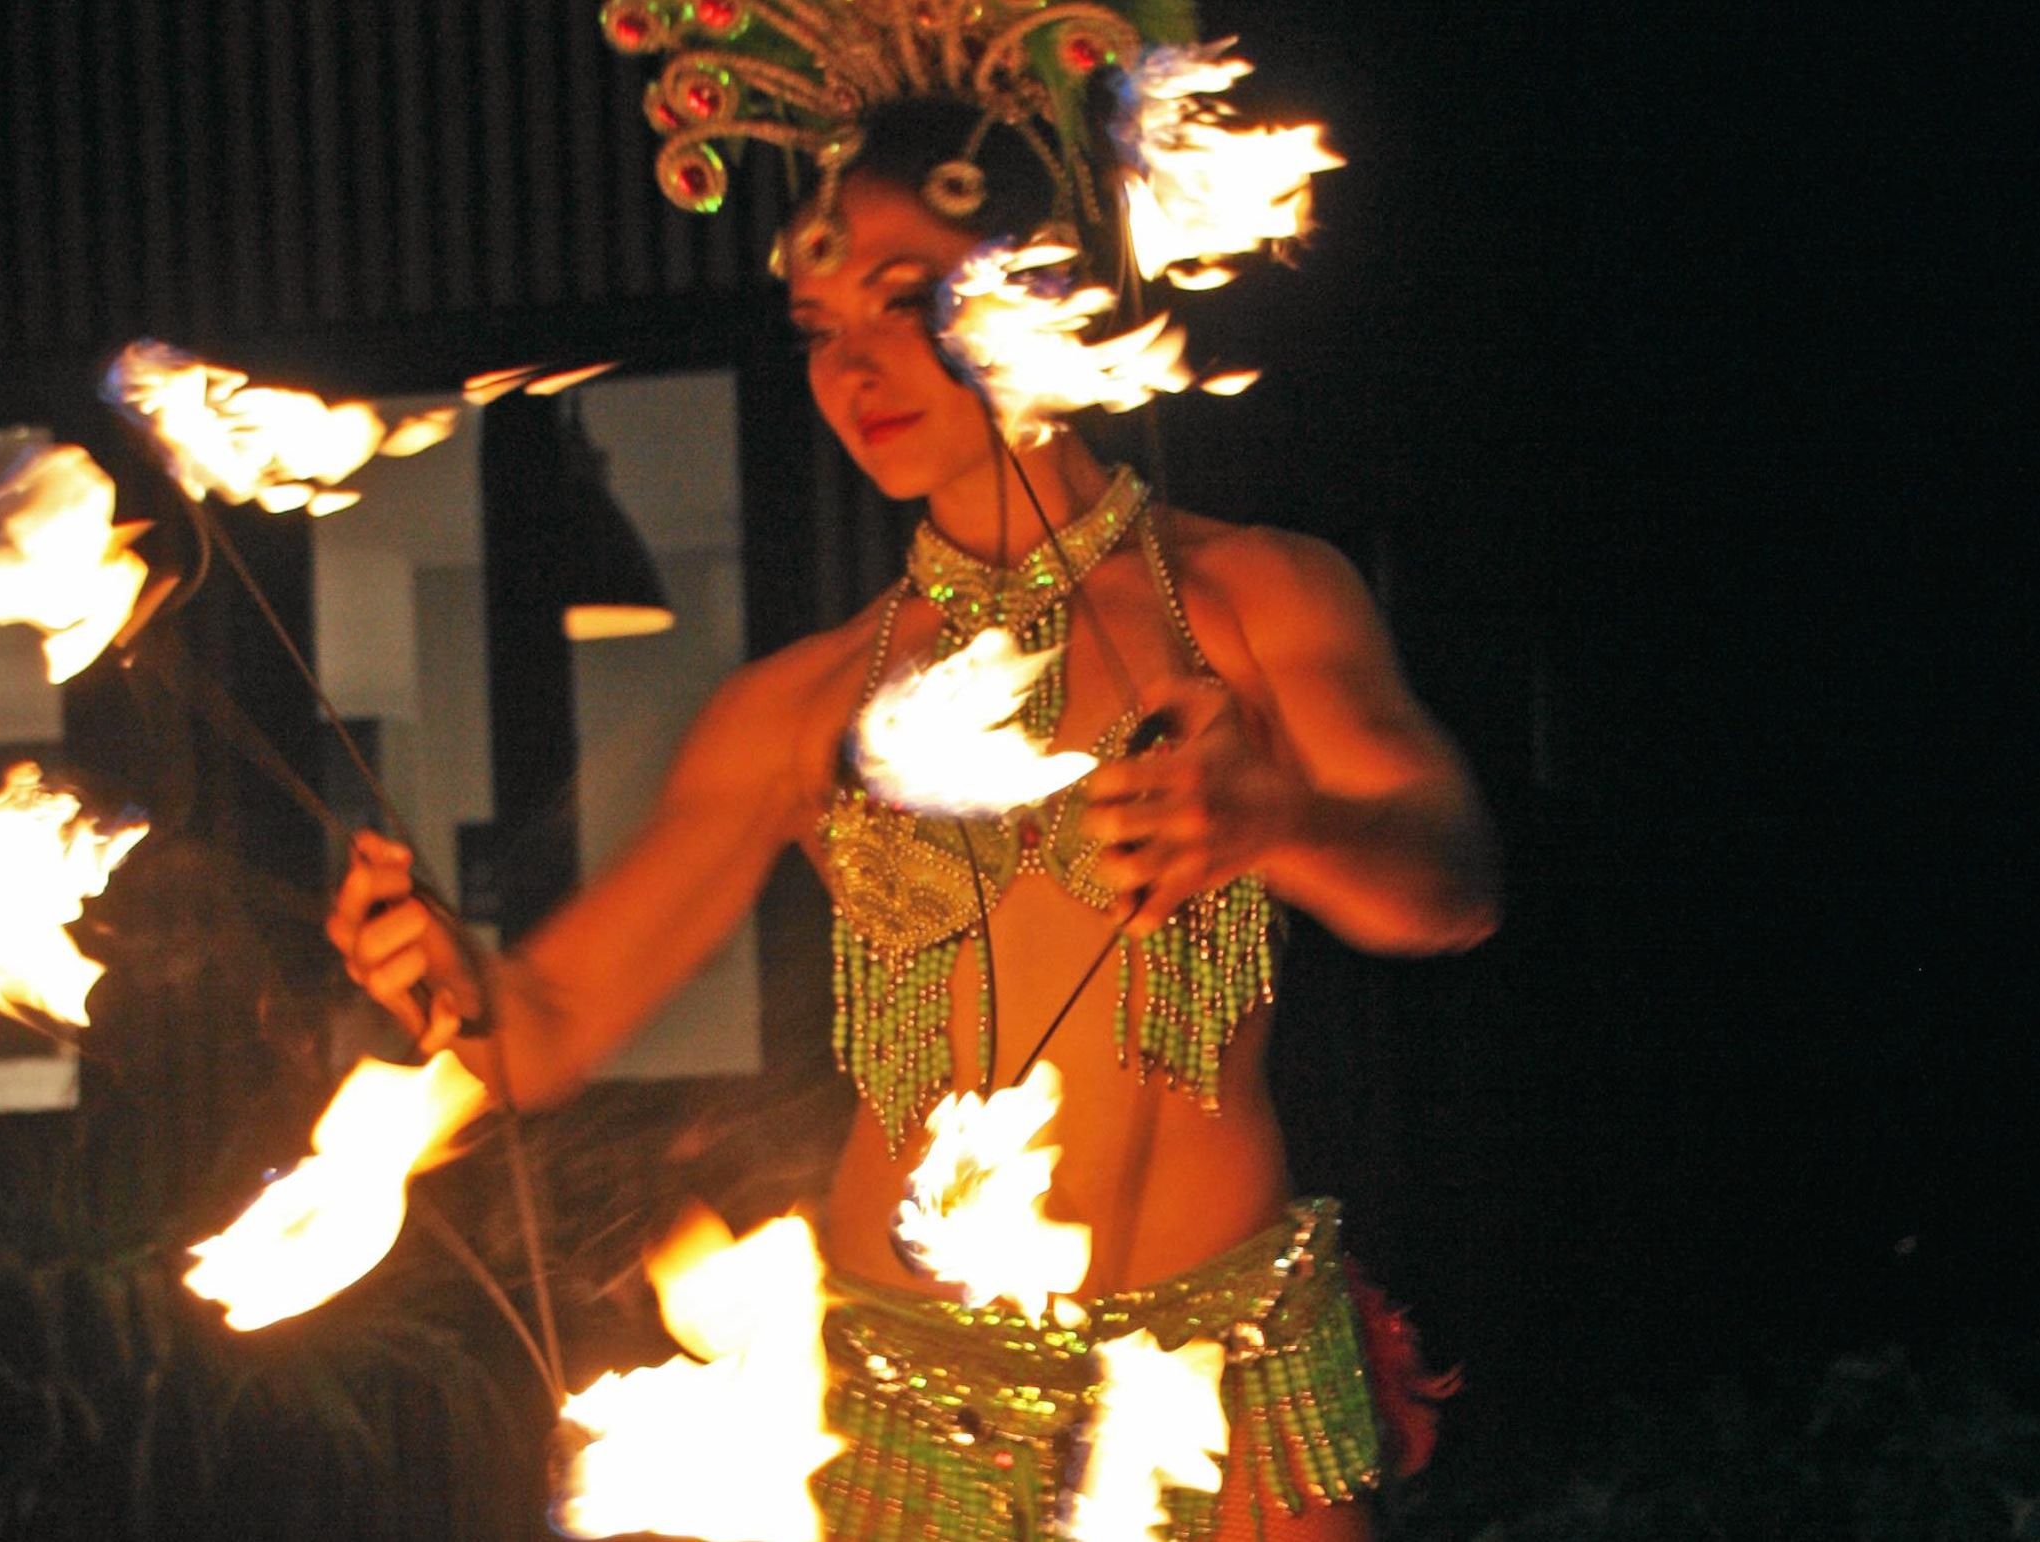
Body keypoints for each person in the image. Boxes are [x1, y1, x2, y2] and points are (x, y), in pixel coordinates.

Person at [331, 12, 1499, 1538]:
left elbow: (1452, 883)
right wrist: (437, 976)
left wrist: (1276, 818)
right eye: (823, 327)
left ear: (1040, 297)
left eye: (909, 298)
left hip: (1224, 1369)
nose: (857, 366)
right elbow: (543, 1025)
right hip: (917, 1397)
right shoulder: (798, 708)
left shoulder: (1251, 603)